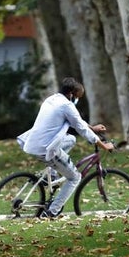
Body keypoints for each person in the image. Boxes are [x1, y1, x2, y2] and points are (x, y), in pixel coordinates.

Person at [17, 77, 114, 219]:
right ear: (71, 94)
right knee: (75, 177)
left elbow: (77, 121)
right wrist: (104, 145)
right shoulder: (67, 106)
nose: (77, 100)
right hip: (46, 149)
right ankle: (51, 212)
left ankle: (51, 174)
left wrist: (92, 127)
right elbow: (81, 129)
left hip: (33, 143)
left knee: (71, 139)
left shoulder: (53, 99)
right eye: (77, 97)